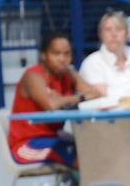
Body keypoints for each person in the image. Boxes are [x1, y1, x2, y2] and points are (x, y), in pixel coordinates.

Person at [9, 30, 106, 168]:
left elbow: (95, 94)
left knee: (95, 146)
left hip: (55, 137)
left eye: (67, 54)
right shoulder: (33, 76)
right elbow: (51, 104)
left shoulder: (68, 74)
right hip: (27, 145)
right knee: (77, 155)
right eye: (56, 53)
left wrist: (64, 98)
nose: (62, 59)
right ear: (44, 55)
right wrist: (79, 97)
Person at [79, 10, 130, 103]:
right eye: (108, 29)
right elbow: (101, 99)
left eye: (119, 29)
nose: (114, 34)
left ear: (127, 34)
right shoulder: (91, 63)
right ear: (100, 34)